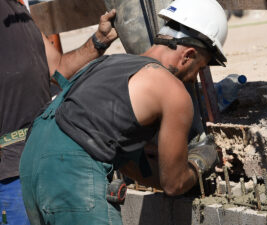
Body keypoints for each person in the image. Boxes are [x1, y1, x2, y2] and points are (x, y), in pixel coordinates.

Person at [19, 0, 227, 224]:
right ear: (188, 55)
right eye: (201, 67)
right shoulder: (172, 90)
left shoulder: (108, 65)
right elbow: (174, 184)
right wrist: (198, 165)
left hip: (32, 166)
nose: (196, 77)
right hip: (72, 171)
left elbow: (126, 162)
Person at [0, 0, 118, 224]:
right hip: (9, 176)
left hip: (46, 159)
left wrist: (98, 41)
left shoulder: (19, 14)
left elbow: (59, 69)